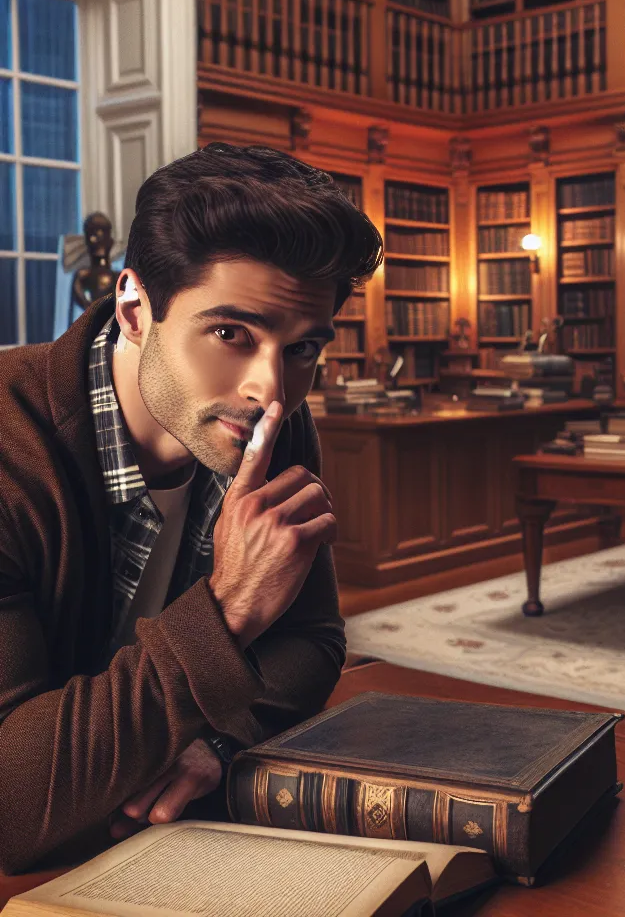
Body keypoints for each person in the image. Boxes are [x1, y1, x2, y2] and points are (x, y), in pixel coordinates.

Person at [0, 143, 383, 874]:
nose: (269, 389)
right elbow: (12, 812)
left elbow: (314, 641)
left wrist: (217, 744)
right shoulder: (9, 450)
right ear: (135, 306)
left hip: (157, 839)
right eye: (231, 334)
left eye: (302, 348)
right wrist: (231, 608)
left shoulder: (275, 426)